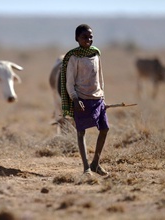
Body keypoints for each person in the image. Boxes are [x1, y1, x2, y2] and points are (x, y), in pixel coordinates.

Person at [60, 24, 109, 176]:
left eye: (90, 37)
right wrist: (75, 99)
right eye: (84, 37)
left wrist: (103, 98)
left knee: (105, 129)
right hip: (81, 99)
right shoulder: (74, 57)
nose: (88, 40)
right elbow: (69, 82)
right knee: (81, 132)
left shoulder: (96, 54)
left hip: (97, 98)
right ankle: (86, 167)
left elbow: (100, 78)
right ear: (77, 39)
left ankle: (95, 163)